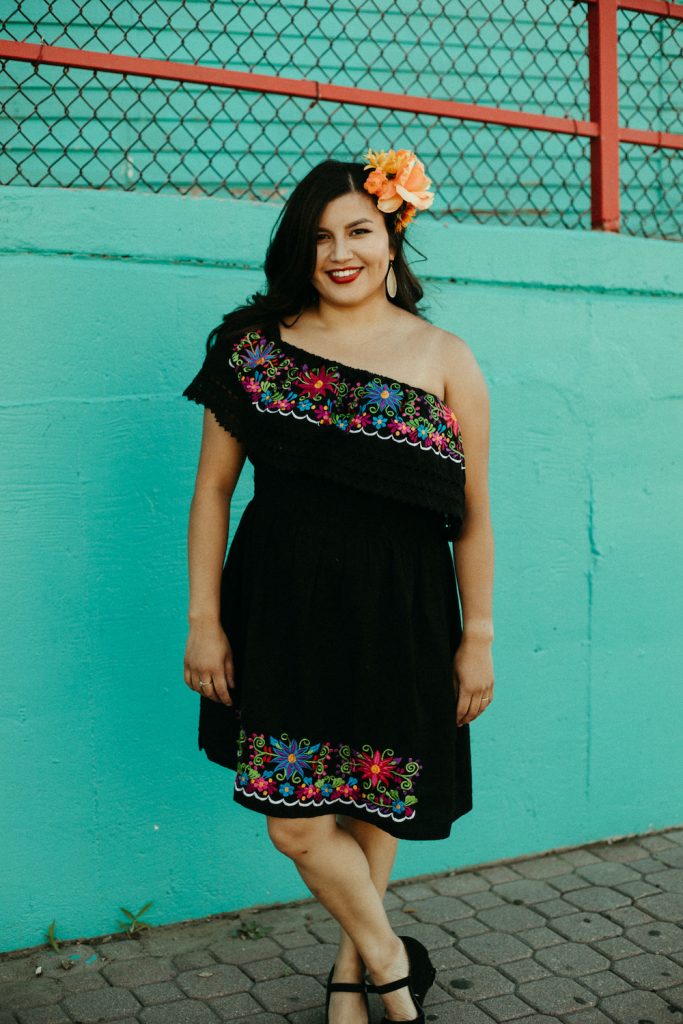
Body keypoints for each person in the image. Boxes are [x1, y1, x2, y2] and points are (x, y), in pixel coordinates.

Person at [182, 147, 494, 1024]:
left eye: (357, 230)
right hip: (280, 609)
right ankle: (393, 961)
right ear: (299, 250)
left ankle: (348, 981)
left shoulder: (445, 358)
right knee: (297, 822)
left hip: (404, 613)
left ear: (392, 238)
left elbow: (472, 514)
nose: (338, 252)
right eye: (318, 237)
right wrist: (204, 621)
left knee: (373, 798)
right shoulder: (255, 351)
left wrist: (478, 637)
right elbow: (212, 494)